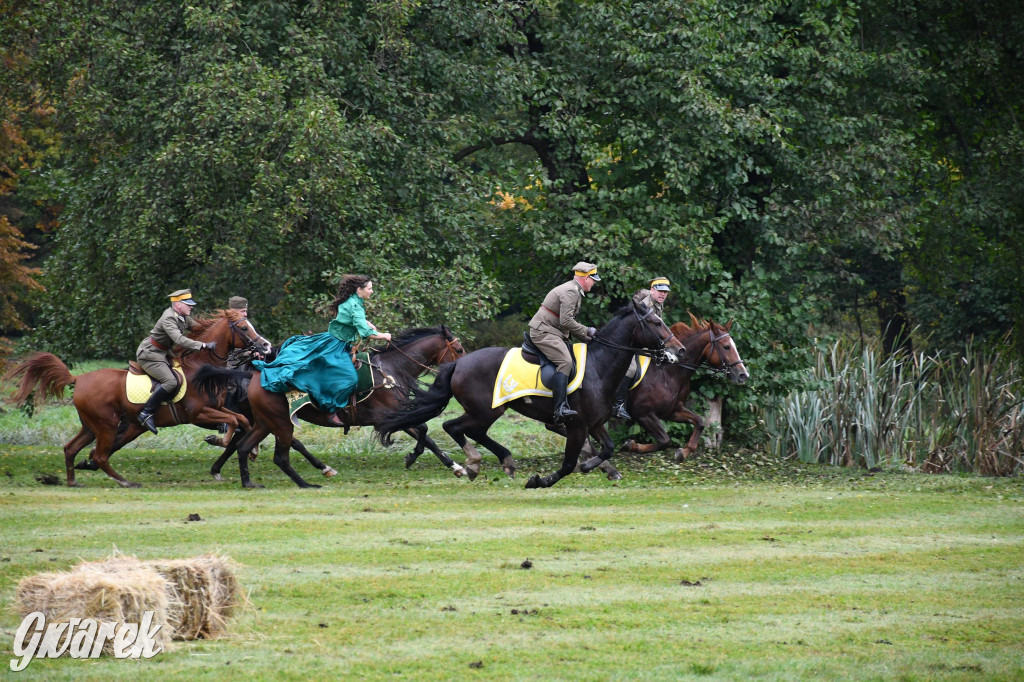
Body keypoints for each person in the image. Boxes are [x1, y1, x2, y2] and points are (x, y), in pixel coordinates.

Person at [253, 275, 391, 425]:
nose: (372, 291)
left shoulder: (353, 301)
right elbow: (366, 333)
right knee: (350, 380)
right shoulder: (354, 305)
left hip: (335, 341)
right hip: (336, 346)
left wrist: (366, 322)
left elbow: (350, 319)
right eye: (370, 288)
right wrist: (384, 335)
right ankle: (331, 410)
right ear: (359, 290)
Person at [136, 289, 217, 434]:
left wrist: (218, 328)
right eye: (188, 304)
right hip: (149, 355)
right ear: (178, 304)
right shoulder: (169, 318)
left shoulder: (183, 317)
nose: (191, 307)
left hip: (163, 354)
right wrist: (203, 345)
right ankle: (146, 413)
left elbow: (197, 328)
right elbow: (179, 339)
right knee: (170, 382)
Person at [528, 261, 600, 424]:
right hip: (543, 332)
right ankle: (559, 408)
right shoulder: (571, 291)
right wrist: (587, 330)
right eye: (593, 280)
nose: (594, 283)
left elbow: (565, 323)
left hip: (552, 331)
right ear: (586, 278)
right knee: (565, 362)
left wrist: (587, 338)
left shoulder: (574, 289)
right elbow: (566, 321)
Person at [611, 276, 671, 420]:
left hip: (641, 344)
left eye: (665, 292)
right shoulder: (645, 306)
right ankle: (617, 405)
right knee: (631, 369)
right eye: (660, 291)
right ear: (652, 290)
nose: (663, 294)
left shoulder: (658, 304)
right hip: (628, 344)